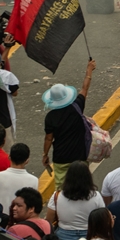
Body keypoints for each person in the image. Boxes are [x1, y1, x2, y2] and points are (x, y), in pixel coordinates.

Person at [42, 60, 97, 188]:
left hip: (61, 158)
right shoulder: (77, 107)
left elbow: (48, 138)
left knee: (61, 189)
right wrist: (89, 70)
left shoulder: (50, 117)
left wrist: (45, 155)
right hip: (80, 156)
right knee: (83, 186)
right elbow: (85, 88)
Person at [45, 160, 105, 240]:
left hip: (63, 237)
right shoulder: (96, 196)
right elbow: (102, 220)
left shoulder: (57, 196)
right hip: (89, 237)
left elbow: (48, 221)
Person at [0, 142, 37, 215]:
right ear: (27, 161)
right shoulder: (34, 181)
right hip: (22, 222)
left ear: (9, 157)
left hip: (0, 222)